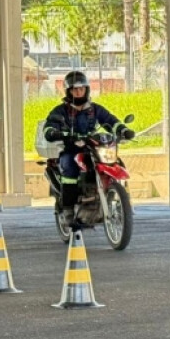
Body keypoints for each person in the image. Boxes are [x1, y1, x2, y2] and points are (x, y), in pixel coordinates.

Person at [42, 71, 134, 227]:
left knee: (117, 162)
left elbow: (110, 120)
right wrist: (56, 133)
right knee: (70, 166)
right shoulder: (61, 111)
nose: (79, 92)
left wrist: (123, 130)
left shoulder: (94, 109)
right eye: (75, 89)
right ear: (68, 91)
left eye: (81, 89)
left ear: (87, 89)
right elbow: (48, 128)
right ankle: (68, 210)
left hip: (93, 147)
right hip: (72, 149)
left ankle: (123, 201)